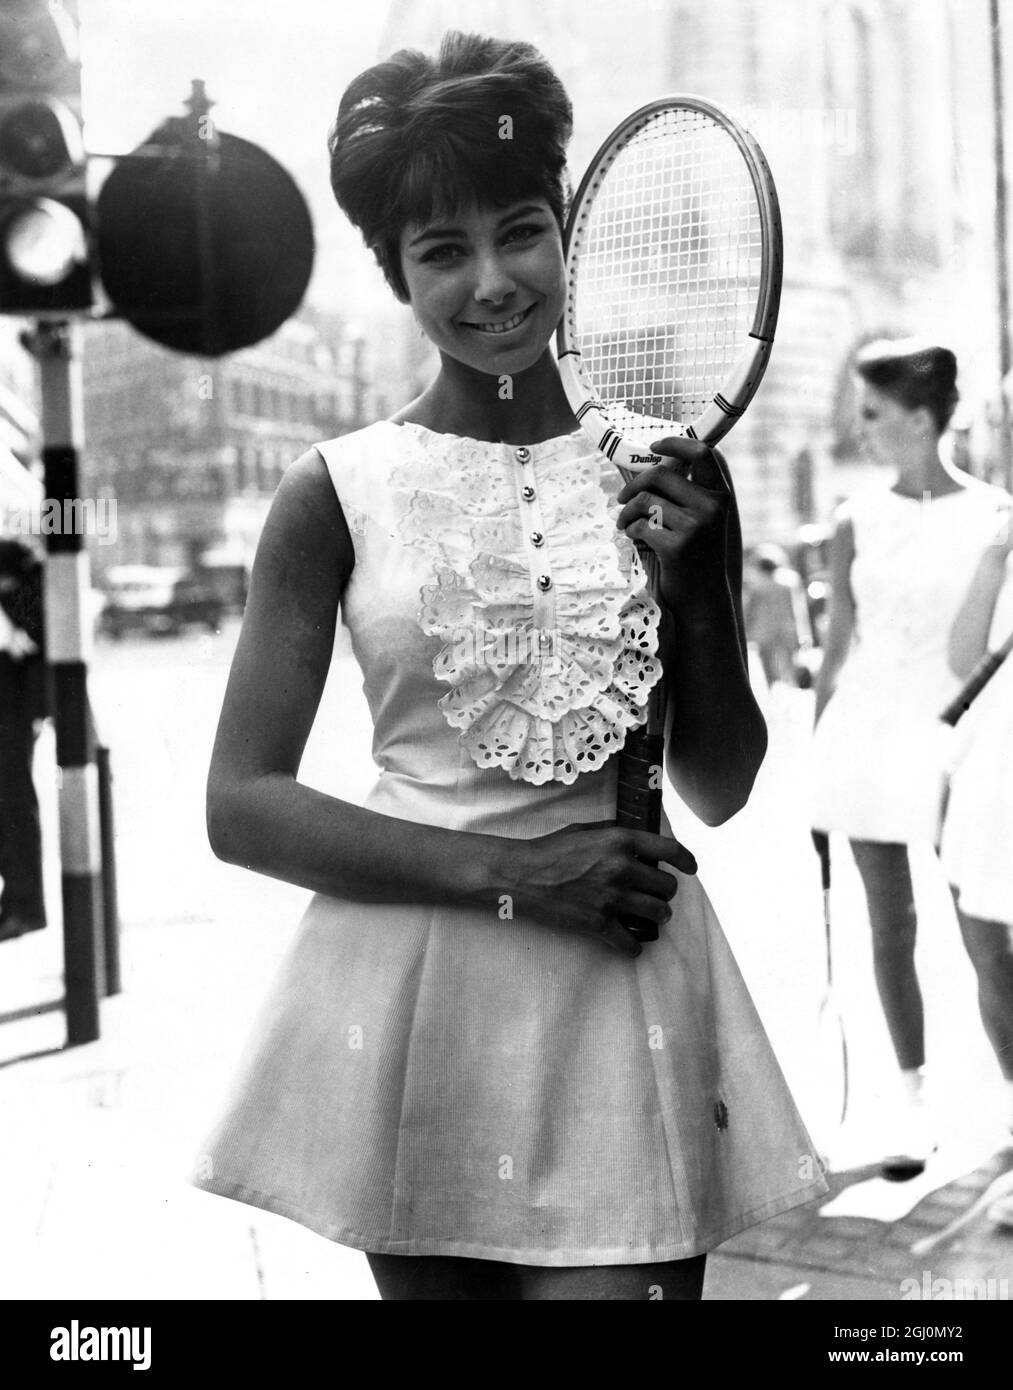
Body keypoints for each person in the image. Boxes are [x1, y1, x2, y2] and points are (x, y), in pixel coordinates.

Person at [191, 31, 825, 1301]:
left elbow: (722, 781)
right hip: (414, 999)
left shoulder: (672, 466)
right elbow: (239, 804)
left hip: (624, 991)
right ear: (398, 275)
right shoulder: (331, 494)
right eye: (441, 250)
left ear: (568, 233)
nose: (492, 281)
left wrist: (695, 592)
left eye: (521, 230)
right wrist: (519, 872)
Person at [810, 339, 1011, 1173]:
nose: (858, 430)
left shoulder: (994, 514)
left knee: (987, 935)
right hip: (862, 740)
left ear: (921, 419)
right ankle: (911, 1101)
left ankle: (1008, 1101)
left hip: (959, 741)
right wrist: (813, 771)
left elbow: (985, 649)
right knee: (888, 928)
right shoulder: (852, 520)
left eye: (871, 413)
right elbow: (834, 651)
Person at [939, 516, 1013, 1196]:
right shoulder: (999, 534)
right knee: (992, 958)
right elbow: (962, 659)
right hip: (995, 773)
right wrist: (994, 554)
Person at [0, 536, 48, 942]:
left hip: (14, 708)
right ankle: (15, 902)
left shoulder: (18, 561)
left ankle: (24, 905)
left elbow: (33, 629)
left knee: (12, 804)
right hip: (14, 705)